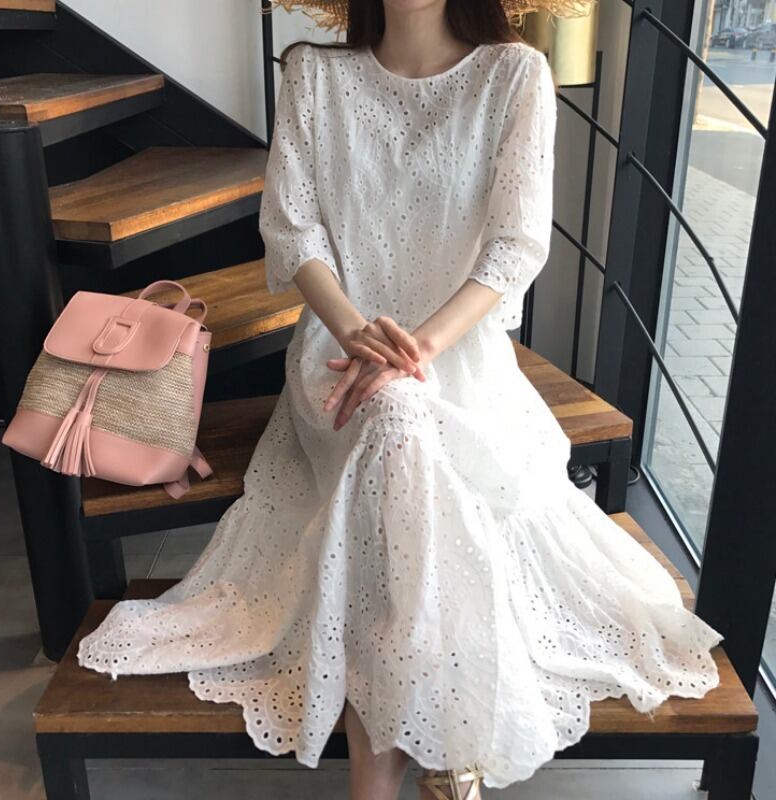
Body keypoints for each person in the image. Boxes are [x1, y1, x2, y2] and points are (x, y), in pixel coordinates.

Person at [77, 1, 724, 798]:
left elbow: (517, 244)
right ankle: (440, 750)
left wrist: (413, 352)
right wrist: (357, 335)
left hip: (460, 359)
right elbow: (293, 230)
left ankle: (383, 769)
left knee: (401, 415)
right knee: (393, 417)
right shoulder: (313, 74)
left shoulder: (514, 74)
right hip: (335, 357)